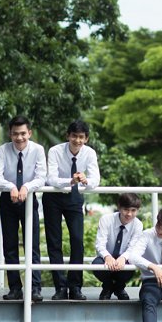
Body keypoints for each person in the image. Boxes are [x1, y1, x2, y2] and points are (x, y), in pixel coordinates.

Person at [0, 116, 46, 303]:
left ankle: (35, 287)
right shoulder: (3, 150)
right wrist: (11, 187)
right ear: (10, 134)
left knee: (33, 246)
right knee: (10, 246)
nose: (19, 137)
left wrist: (26, 187)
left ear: (29, 133)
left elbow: (41, 177)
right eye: (15, 134)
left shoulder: (38, 150)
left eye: (23, 133)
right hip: (8, 200)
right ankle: (15, 288)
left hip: (29, 199)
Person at [44, 119, 100, 301]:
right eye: (74, 136)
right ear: (67, 136)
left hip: (75, 197)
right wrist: (70, 181)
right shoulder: (55, 151)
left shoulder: (89, 153)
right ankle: (60, 287)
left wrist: (85, 180)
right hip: (53, 197)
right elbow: (51, 178)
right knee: (54, 242)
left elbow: (95, 180)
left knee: (77, 241)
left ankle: (75, 287)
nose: (77, 140)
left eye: (81, 137)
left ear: (86, 138)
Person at [92, 193, 144, 300]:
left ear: (138, 210)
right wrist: (107, 257)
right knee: (97, 265)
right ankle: (107, 287)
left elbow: (133, 247)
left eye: (133, 210)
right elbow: (100, 244)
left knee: (130, 267)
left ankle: (119, 288)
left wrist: (123, 258)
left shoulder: (138, 225)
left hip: (124, 258)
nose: (129, 214)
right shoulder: (106, 219)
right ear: (119, 207)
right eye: (126, 209)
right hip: (106, 257)